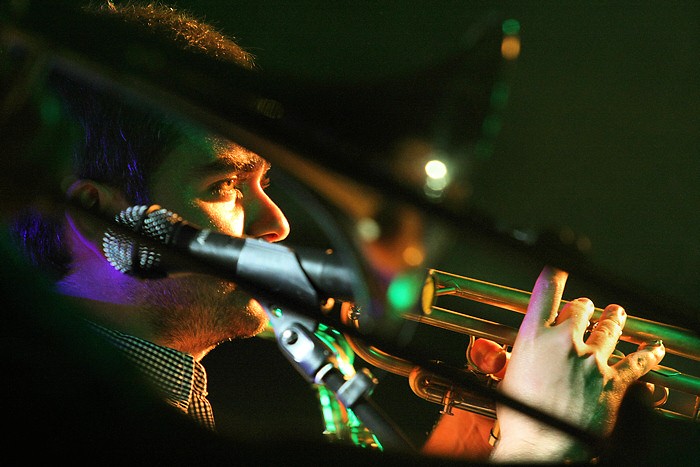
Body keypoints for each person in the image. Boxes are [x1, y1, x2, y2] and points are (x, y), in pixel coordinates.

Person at [7, 1, 666, 463]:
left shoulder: (151, 400)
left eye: (263, 181)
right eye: (225, 185)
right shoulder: (54, 411)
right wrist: (540, 447)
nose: (277, 223)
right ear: (95, 216)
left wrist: (475, 441)